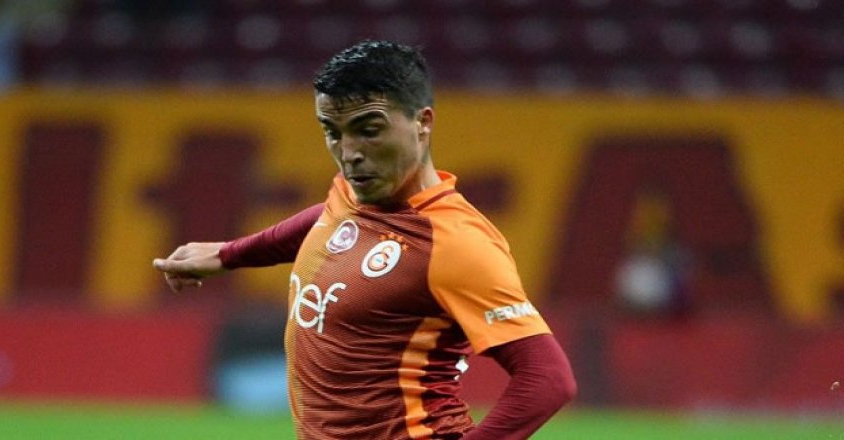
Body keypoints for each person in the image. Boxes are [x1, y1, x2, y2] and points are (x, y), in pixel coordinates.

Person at [153, 40, 576, 440]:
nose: (349, 152)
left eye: (369, 129)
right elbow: (326, 221)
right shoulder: (355, 193)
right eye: (332, 131)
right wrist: (230, 254)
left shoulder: (456, 242)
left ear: (422, 123)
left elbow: (548, 378)